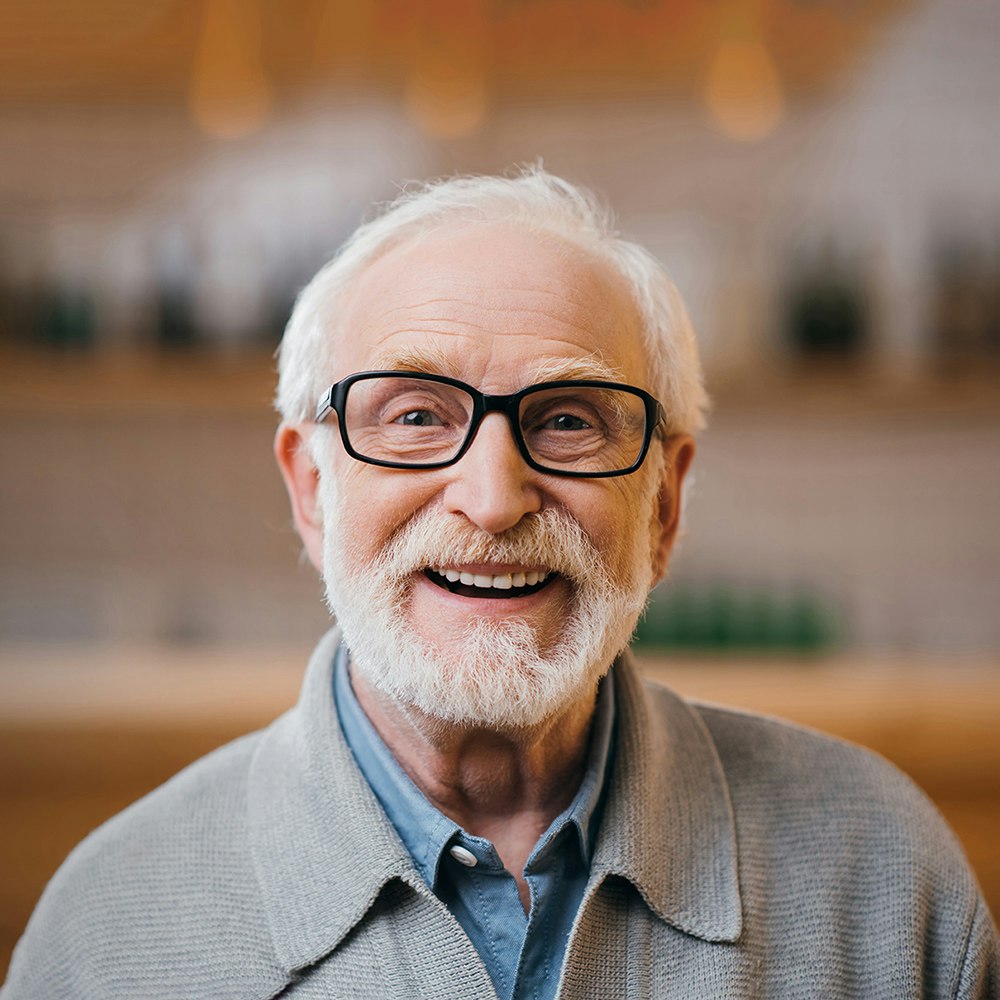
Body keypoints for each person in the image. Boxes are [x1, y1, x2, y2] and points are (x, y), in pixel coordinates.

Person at [4, 168, 997, 1000]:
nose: (491, 498)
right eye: (414, 416)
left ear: (662, 505)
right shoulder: (108, 934)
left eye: (567, 419)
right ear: (312, 490)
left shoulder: (884, 885)